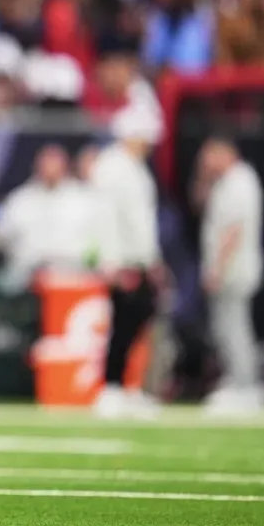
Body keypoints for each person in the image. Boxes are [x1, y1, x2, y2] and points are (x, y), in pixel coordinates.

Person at [89, 103, 164, 419]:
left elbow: (142, 221)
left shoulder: (135, 167)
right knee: (122, 325)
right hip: (124, 261)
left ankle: (127, 386)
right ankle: (112, 388)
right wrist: (112, 262)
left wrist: (153, 259)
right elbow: (105, 218)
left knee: (138, 322)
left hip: (139, 259)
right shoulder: (112, 167)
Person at [197, 138, 264, 415]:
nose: (205, 163)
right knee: (226, 328)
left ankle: (246, 386)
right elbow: (198, 201)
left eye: (208, 156)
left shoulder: (241, 181)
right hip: (230, 267)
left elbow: (233, 230)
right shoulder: (225, 181)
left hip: (234, 268)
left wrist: (217, 268)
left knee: (235, 329)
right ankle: (239, 382)